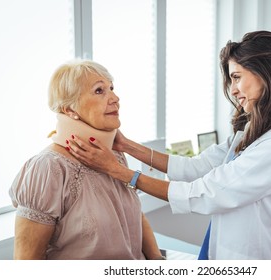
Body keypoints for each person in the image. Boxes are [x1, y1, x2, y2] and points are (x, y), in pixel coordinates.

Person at [66, 31, 271, 260]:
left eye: (237, 77)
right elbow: (198, 167)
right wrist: (127, 146)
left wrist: (120, 171)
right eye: (231, 80)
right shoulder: (254, 130)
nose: (234, 90)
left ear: (267, 72)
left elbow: (204, 192)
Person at [9, 60, 163, 260]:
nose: (115, 98)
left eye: (112, 88)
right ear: (69, 110)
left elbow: (133, 214)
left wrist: (157, 260)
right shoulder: (48, 168)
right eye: (99, 91)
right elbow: (26, 262)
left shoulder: (113, 155)